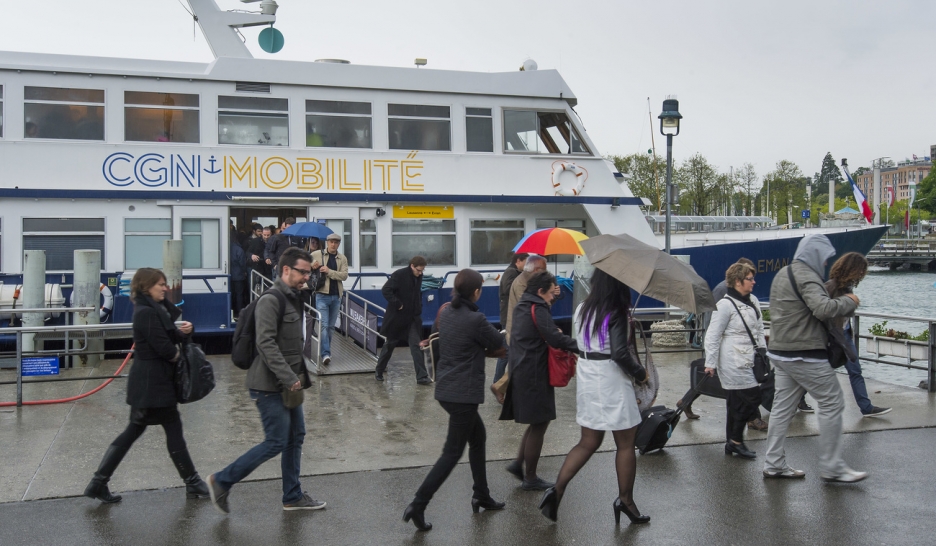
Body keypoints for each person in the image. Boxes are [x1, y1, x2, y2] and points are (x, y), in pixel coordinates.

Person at [207, 247, 323, 513]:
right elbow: (266, 343)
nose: (307, 277)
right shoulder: (272, 299)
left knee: (295, 437)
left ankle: (292, 496)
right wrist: (288, 377)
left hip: (288, 383)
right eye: (303, 272)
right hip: (268, 385)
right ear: (286, 270)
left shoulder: (293, 297)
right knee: (276, 441)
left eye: (308, 271)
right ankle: (221, 480)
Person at [84, 268, 207, 504]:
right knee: (168, 429)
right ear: (146, 286)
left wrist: (184, 333)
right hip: (153, 384)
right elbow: (164, 347)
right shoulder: (147, 313)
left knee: (136, 431)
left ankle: (98, 482)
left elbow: (168, 336)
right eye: (160, 284)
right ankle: (192, 482)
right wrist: (177, 355)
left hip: (151, 383)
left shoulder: (152, 310)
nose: (165, 287)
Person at [539, 269, 649, 525]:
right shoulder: (617, 310)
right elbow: (621, 354)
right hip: (611, 378)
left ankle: (556, 490)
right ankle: (626, 501)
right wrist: (640, 373)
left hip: (589, 376)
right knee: (625, 443)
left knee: (588, 442)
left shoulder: (582, 308)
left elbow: (584, 343)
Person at [402, 270, 507, 532]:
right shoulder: (476, 319)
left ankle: (481, 494)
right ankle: (418, 504)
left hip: (446, 390)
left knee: (478, 438)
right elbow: (499, 343)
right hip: (463, 395)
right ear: (476, 292)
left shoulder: (446, 312)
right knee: (451, 453)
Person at [764, 234, 866, 482]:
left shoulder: (783, 274)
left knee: (781, 409)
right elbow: (823, 308)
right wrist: (849, 300)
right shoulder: (807, 276)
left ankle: (774, 464)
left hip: (780, 351)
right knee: (833, 402)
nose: (824, 264)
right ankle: (832, 467)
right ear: (815, 255)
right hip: (804, 353)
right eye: (823, 258)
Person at [499, 271, 578, 491]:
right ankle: (530, 478)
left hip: (522, 369)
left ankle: (518, 464)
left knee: (536, 422)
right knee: (540, 423)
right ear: (540, 291)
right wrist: (580, 346)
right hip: (535, 373)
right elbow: (553, 338)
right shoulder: (538, 308)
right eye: (551, 293)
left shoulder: (523, 306)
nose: (553, 297)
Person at [704, 262, 766, 460]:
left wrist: (763, 351)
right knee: (753, 397)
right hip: (732, 359)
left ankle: (732, 442)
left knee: (736, 402)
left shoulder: (753, 300)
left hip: (751, 356)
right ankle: (736, 441)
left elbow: (759, 328)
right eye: (750, 278)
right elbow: (713, 335)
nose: (754, 282)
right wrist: (710, 363)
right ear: (738, 281)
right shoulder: (724, 305)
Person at [825, 252, 891, 417]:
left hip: (844, 334)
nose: (862, 274)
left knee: (855, 370)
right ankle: (799, 397)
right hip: (834, 337)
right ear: (852, 269)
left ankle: (866, 407)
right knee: (820, 370)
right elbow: (823, 310)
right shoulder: (831, 286)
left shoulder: (847, 287)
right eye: (860, 270)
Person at [375, 256, 431, 384]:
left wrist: (418, 308)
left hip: (412, 318)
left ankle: (422, 376)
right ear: (412, 266)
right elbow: (386, 290)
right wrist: (397, 303)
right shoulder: (399, 275)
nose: (420, 273)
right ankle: (379, 369)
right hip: (397, 317)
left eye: (422, 271)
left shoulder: (418, 276)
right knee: (390, 345)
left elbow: (416, 294)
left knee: (416, 346)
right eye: (418, 270)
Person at [312, 233, 349, 366]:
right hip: (321, 294)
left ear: (339, 244)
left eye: (336, 242)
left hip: (336, 296)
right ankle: (326, 354)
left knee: (331, 327)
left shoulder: (342, 258)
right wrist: (313, 264)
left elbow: (344, 276)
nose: (333, 244)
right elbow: (305, 262)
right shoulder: (317, 254)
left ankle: (325, 350)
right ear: (327, 242)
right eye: (331, 242)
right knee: (324, 325)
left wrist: (329, 271)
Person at [493, 252, 529, 385]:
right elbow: (509, 289)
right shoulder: (511, 273)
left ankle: (503, 382)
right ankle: (497, 382)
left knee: (509, 352)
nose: (527, 266)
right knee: (506, 352)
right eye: (526, 262)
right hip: (509, 317)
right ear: (518, 261)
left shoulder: (514, 272)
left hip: (511, 316)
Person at [504, 254, 549, 346]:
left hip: (524, 332)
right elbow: (531, 307)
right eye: (544, 270)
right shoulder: (521, 283)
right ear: (536, 270)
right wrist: (546, 295)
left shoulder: (531, 280)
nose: (546, 273)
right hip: (521, 333)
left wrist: (553, 294)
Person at [246, 223, 268, 292]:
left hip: (267, 269)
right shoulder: (254, 241)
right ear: (254, 231)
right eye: (259, 231)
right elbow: (247, 252)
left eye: (262, 231)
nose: (261, 233)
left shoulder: (272, 241)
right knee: (253, 288)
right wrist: (252, 255)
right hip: (255, 267)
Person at [230, 240, 248, 319]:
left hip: (229, 276)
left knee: (231, 294)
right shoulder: (239, 249)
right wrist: (244, 271)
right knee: (239, 295)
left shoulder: (227, 248)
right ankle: (239, 313)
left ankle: (231, 310)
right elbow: (242, 263)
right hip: (238, 275)